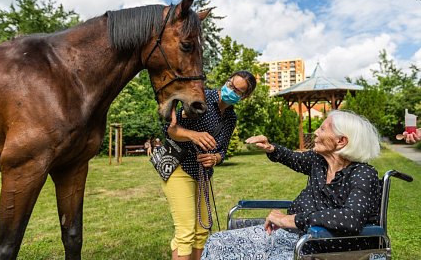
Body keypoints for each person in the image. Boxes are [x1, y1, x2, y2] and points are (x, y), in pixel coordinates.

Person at [201, 110, 382, 259]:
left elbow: (350, 218)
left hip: (327, 248)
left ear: (341, 141)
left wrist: (291, 220)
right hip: (296, 237)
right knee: (217, 242)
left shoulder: (363, 174)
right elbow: (293, 158)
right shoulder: (318, 161)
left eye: (322, 129)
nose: (316, 133)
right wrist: (271, 148)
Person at [161, 71, 257, 260]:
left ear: (243, 97)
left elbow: (223, 151)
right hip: (178, 167)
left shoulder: (231, 118)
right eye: (230, 84)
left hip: (203, 173)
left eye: (237, 91)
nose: (231, 90)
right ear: (226, 80)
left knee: (203, 230)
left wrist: (215, 159)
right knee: (186, 232)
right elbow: (169, 129)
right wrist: (193, 135)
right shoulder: (200, 98)